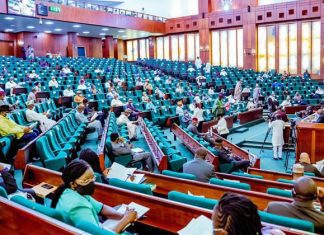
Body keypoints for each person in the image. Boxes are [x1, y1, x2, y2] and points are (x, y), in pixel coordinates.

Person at [51, 159, 137, 232]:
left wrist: (122, 215)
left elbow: (101, 208)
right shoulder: (78, 207)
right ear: (73, 184)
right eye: (87, 179)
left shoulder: (72, 191)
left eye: (93, 177)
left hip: (97, 227)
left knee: (119, 208)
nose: (92, 182)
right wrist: (126, 219)